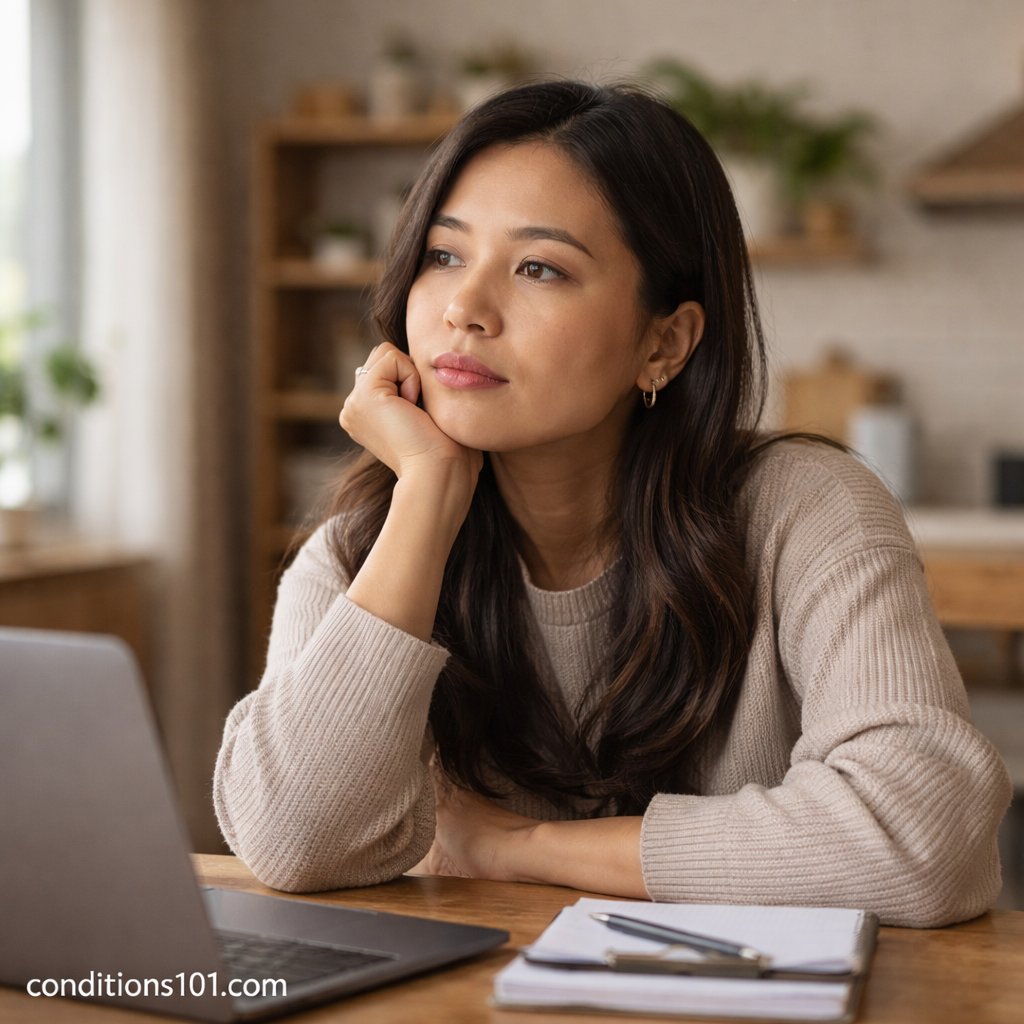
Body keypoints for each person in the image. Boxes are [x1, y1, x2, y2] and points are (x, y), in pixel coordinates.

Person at [215, 82, 1009, 927]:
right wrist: (428, 496)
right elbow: (294, 843)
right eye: (444, 256)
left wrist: (518, 848)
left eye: (540, 268)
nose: (464, 310)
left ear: (664, 343)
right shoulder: (360, 551)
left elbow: (923, 840)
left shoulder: (807, 511)